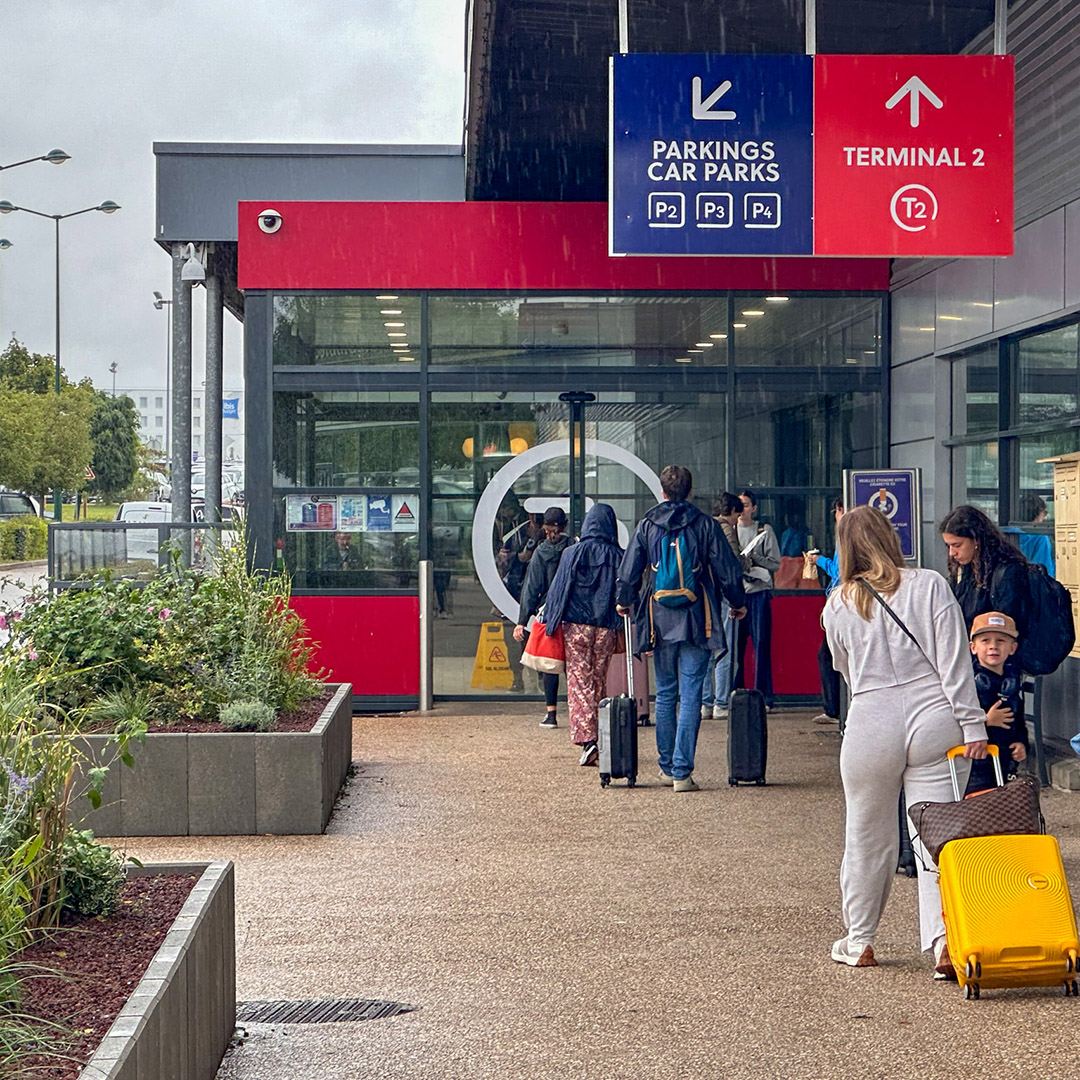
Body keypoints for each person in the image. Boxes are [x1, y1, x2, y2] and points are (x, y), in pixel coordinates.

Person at [823, 506, 988, 977]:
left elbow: (843, 669)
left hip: (871, 717)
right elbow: (955, 662)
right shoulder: (931, 584)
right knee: (937, 837)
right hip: (933, 714)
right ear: (890, 537)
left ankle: (859, 941)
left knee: (866, 835)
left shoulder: (838, 603)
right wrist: (972, 724)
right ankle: (944, 942)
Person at [617, 466, 747, 792]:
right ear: (690, 492)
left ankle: (665, 766)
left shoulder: (647, 524)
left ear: (662, 492)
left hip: (658, 618)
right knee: (691, 693)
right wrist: (737, 601)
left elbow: (631, 567)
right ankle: (681, 772)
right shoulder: (704, 524)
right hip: (696, 617)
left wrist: (624, 599)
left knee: (665, 691)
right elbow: (727, 568)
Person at [540, 503, 623, 766]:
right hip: (606, 627)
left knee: (579, 683)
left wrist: (550, 624)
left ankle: (588, 741)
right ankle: (602, 736)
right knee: (598, 682)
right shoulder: (618, 555)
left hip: (576, 626)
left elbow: (559, 590)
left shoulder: (572, 553)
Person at [513, 507, 572, 729]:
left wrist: (522, 620)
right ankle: (579, 709)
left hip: (549, 613)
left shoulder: (540, 552)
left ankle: (551, 714)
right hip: (573, 611)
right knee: (573, 664)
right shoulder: (573, 548)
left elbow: (531, 586)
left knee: (550, 662)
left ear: (544, 527)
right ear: (564, 525)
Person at [939, 505, 1030, 641]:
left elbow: (1010, 627)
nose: (952, 553)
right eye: (948, 546)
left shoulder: (1008, 572)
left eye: (957, 545)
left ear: (976, 540)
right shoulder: (962, 571)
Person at [701, 492, 751, 720]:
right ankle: (721, 702)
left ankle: (705, 703)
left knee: (705, 652)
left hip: (703, 597)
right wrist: (747, 560)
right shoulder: (725, 530)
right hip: (722, 597)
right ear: (730, 512)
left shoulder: (702, 527)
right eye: (736, 516)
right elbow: (732, 565)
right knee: (724, 650)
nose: (736, 521)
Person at [967, 611, 1028, 794]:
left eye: (1000, 641)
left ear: (1012, 648)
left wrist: (1022, 743)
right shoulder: (967, 685)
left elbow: (1019, 723)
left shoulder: (1011, 684)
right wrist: (985, 721)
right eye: (985, 640)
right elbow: (953, 722)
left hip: (1005, 762)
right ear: (973, 647)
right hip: (977, 766)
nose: (993, 646)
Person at [733, 489, 781, 710]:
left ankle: (763, 696)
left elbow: (775, 563)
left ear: (754, 508)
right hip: (737, 593)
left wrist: (754, 558)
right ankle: (737, 693)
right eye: (739, 505)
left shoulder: (764, 530)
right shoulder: (730, 529)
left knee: (761, 645)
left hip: (759, 592)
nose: (742, 510)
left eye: (746, 505)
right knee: (736, 648)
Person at [807, 496, 845, 725]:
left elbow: (838, 571)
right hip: (841, 601)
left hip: (840, 602)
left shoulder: (845, 535)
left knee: (827, 654)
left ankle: (834, 709)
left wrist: (818, 560)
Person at [1002, 493, 1055, 576]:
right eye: (1044, 513)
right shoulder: (1040, 538)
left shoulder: (1008, 533)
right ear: (1039, 513)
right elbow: (1045, 569)